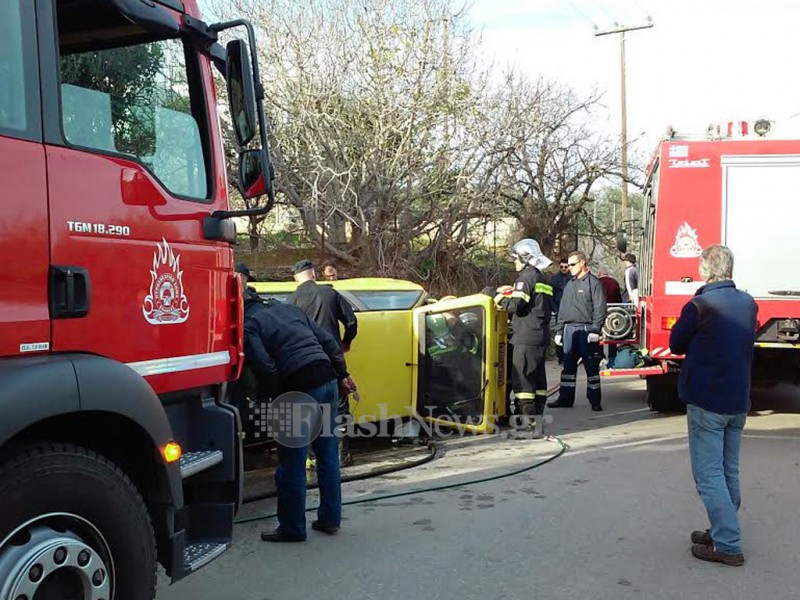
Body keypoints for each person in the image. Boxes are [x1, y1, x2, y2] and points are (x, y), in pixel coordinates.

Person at [242, 287, 356, 542]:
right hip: (327, 381)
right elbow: (328, 342)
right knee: (327, 454)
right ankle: (330, 519)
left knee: (292, 461)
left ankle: (292, 528)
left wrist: (279, 394)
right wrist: (341, 374)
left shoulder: (249, 324)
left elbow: (263, 365)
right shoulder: (290, 309)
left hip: (299, 387)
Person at [668, 245, 757, 567]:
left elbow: (675, 343)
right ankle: (722, 529)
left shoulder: (700, 305)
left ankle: (728, 544)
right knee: (728, 470)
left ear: (705, 269)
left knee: (708, 475)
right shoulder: (748, 303)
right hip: (737, 399)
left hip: (707, 399)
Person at [288, 259, 358, 465]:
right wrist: (346, 342)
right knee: (340, 406)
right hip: (332, 359)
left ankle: (311, 456)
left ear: (295, 279)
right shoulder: (330, 294)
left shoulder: (290, 301)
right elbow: (352, 322)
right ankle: (342, 455)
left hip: (304, 361)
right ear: (315, 274)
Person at [494, 238, 553, 418]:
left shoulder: (525, 278)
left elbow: (514, 306)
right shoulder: (542, 279)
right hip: (540, 335)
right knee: (537, 377)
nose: (514, 262)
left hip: (525, 336)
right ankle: (537, 417)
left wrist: (496, 296)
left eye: (516, 258)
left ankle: (528, 420)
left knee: (523, 378)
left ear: (524, 257)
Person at [548, 251, 607, 411]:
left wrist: (596, 329)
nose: (569, 267)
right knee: (568, 367)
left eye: (573, 264)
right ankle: (565, 398)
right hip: (569, 330)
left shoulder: (593, 284)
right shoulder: (570, 285)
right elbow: (563, 309)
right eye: (568, 264)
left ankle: (595, 400)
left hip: (586, 330)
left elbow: (600, 308)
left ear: (582, 263)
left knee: (591, 367)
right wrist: (559, 331)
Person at [597, 267, 622, 367]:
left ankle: (601, 357)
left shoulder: (596, 282)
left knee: (599, 335)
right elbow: (619, 298)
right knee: (612, 335)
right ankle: (612, 358)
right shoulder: (614, 282)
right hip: (613, 312)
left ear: (599, 274)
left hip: (600, 311)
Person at [549, 258, 572, 364]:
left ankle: (571, 355)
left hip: (571, 310)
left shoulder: (572, 278)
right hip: (559, 309)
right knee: (560, 333)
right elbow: (550, 295)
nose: (563, 269)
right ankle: (561, 357)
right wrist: (554, 308)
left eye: (565, 267)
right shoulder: (554, 279)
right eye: (561, 267)